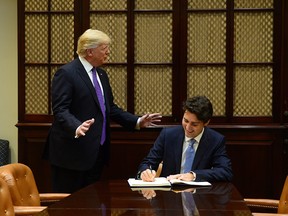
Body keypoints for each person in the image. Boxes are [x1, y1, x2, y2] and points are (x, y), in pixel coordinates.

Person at [43, 29, 162, 193]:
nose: (108, 52)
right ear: (90, 51)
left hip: (96, 153)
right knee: (70, 205)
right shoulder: (67, 73)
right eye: (104, 48)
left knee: (92, 203)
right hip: (71, 155)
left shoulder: (101, 74)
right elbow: (60, 109)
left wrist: (137, 121)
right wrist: (76, 127)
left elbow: (109, 108)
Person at [136, 96, 233, 183]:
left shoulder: (215, 140)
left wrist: (193, 175)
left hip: (200, 197)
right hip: (169, 196)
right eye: (185, 121)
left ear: (206, 122)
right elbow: (148, 162)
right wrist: (145, 172)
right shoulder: (168, 135)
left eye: (194, 124)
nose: (188, 127)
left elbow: (225, 171)